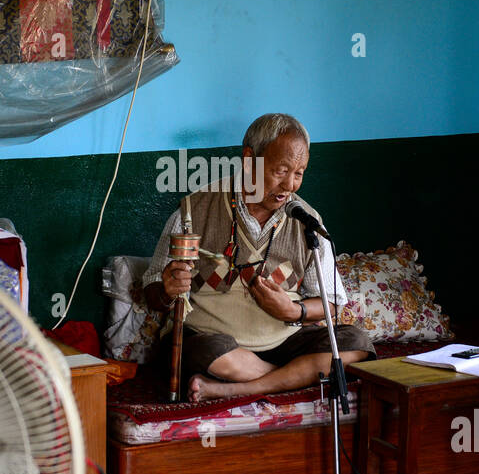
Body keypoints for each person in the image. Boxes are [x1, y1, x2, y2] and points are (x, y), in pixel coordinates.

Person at [143, 113, 374, 402]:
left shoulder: (307, 221)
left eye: (299, 173)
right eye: (281, 170)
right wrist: (166, 288)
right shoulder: (193, 211)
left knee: (356, 344)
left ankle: (241, 388)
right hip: (216, 343)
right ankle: (293, 376)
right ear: (249, 158)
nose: (290, 185)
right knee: (205, 351)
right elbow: (152, 292)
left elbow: (330, 302)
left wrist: (293, 312)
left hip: (283, 340)